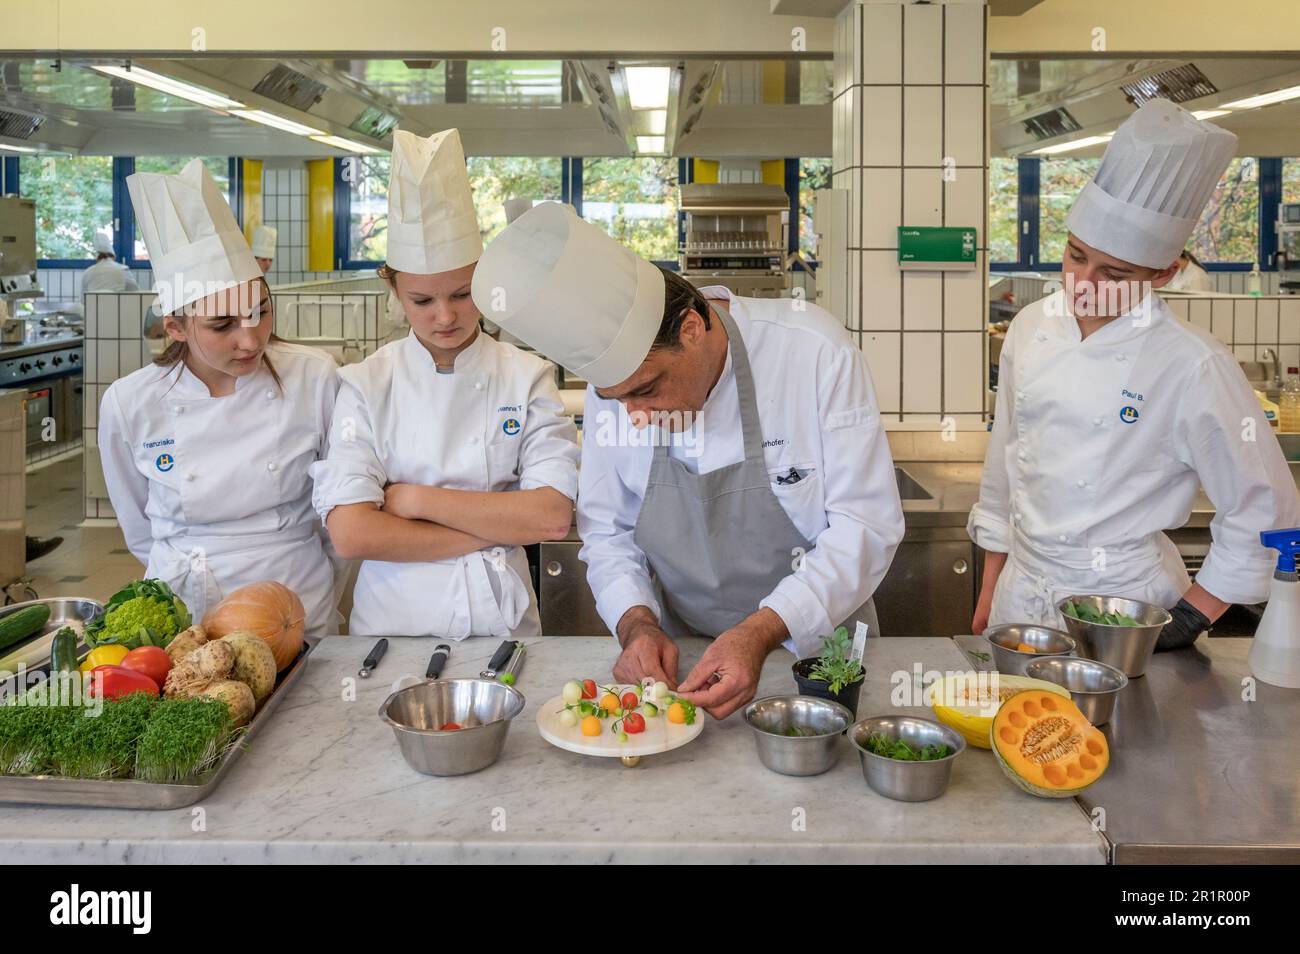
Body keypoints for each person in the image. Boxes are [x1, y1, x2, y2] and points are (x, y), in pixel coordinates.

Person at [471, 202, 904, 718]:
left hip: (819, 665)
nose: (634, 416)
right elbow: (609, 532)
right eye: (616, 400)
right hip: (688, 666)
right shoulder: (617, 390)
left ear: (692, 328)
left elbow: (867, 525)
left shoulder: (813, 352)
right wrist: (636, 624)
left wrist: (761, 630)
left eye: (648, 389)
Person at [968, 99, 1300, 650]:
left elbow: (1265, 505)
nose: (1083, 281)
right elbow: (1004, 467)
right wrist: (991, 586)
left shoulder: (1192, 362)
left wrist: (1193, 616)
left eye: (1114, 272)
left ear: (1165, 272)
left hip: (1124, 605)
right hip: (1020, 595)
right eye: (1075, 256)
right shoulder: (1031, 327)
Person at [311, 129, 578, 639]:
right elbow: (351, 533)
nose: (445, 317)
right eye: (422, 300)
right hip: (392, 628)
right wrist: (492, 529)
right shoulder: (366, 384)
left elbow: (547, 518)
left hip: (503, 624)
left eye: (462, 292)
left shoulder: (526, 376)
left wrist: (412, 502)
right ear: (392, 288)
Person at [98, 159, 341, 636]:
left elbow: (338, 515)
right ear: (176, 326)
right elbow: (139, 528)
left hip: (296, 599)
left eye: (261, 312)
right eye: (222, 325)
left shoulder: (315, 377)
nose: (251, 340)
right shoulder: (130, 402)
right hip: (187, 605)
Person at [81, 229, 138, 293]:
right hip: (117, 303)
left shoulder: (88, 272)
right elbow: (135, 292)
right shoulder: (122, 270)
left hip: (94, 303)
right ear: (113, 256)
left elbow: (83, 300)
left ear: (97, 258)